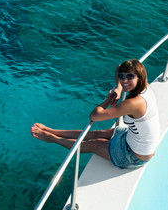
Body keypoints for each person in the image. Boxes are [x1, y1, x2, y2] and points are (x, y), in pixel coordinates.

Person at [31, 59, 160, 169]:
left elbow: (94, 116)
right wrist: (118, 88)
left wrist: (107, 100)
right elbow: (119, 67)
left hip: (133, 156)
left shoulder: (133, 103)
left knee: (92, 144)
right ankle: (52, 130)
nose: (124, 80)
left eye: (130, 77)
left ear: (140, 77)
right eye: (122, 77)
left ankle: (52, 138)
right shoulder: (146, 87)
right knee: (96, 133)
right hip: (131, 138)